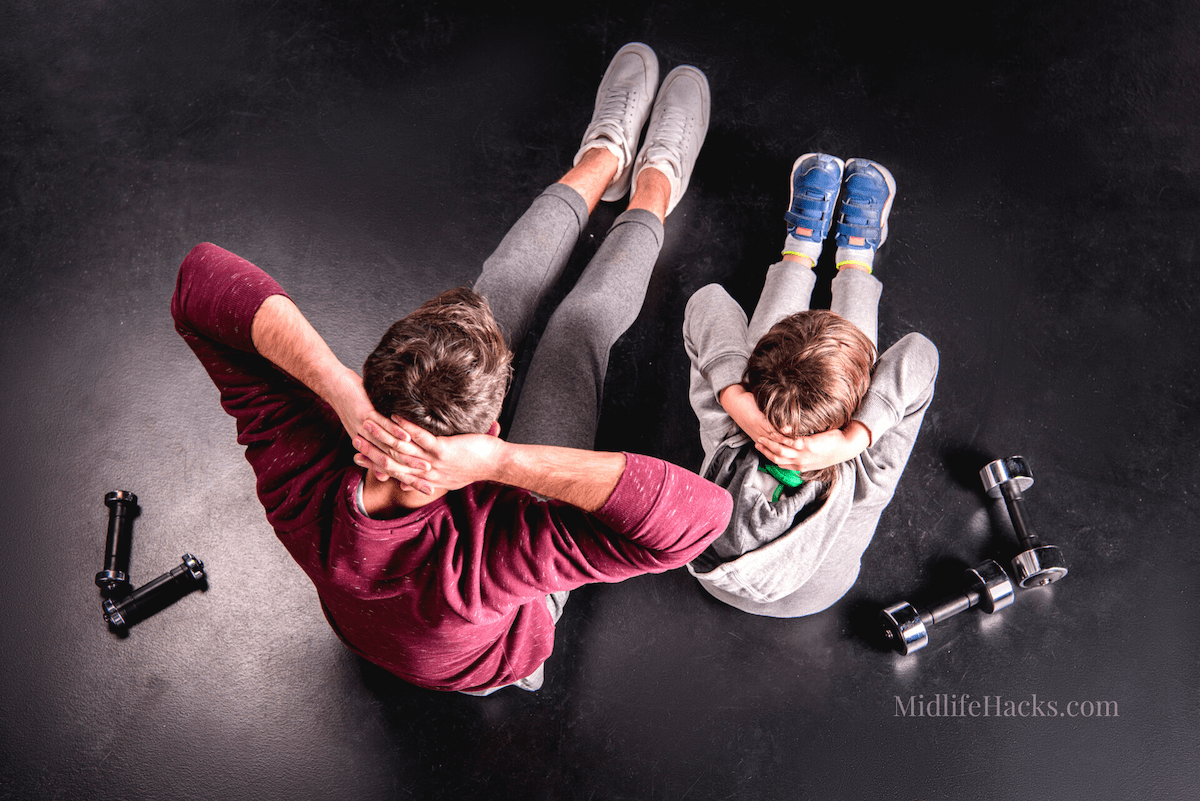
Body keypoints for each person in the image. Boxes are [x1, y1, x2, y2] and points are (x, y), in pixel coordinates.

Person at [172, 43, 732, 694]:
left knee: (497, 289)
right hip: (489, 650)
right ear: (492, 429)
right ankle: (654, 188)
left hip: (365, 622)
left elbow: (198, 279)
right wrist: (499, 467)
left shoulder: (297, 472)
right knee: (576, 334)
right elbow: (704, 517)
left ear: (370, 379)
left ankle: (600, 160)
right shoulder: (495, 555)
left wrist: (336, 390)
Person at [682, 153, 939, 617]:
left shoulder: (729, 432)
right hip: (819, 596)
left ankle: (802, 244)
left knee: (794, 366)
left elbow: (708, 302)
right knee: (838, 366)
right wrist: (853, 437)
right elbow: (920, 356)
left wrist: (735, 396)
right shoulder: (865, 473)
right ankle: (855, 257)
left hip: (712, 575)